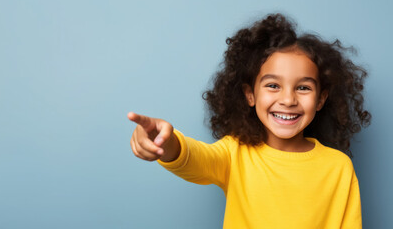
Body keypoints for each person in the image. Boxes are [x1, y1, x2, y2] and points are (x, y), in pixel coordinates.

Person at [128, 13, 371, 229]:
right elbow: (194, 158)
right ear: (250, 95)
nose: (288, 99)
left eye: (303, 87)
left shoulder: (338, 167)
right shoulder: (235, 153)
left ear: (321, 99)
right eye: (273, 85)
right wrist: (164, 141)